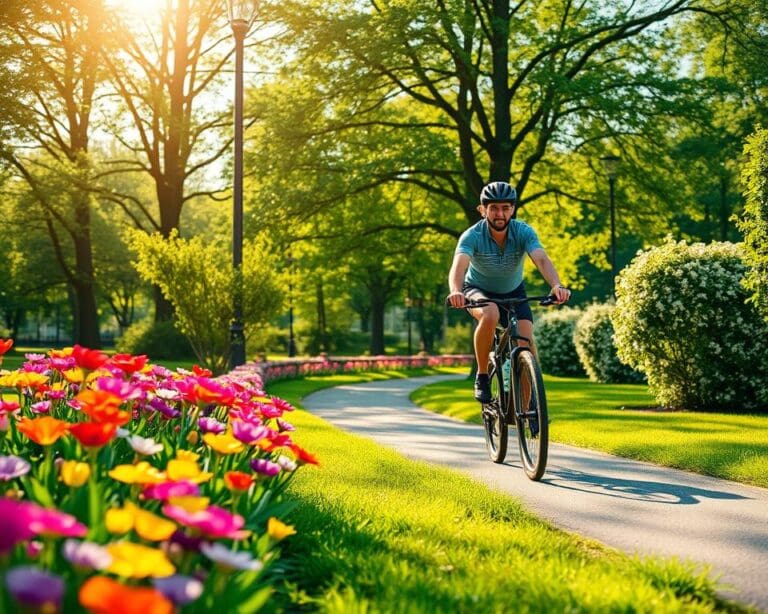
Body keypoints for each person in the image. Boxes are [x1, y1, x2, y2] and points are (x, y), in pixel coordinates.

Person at [446, 181, 571, 403]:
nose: (500, 214)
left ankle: (528, 407)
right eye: (493, 208)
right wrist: (456, 291)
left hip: (513, 291)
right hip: (477, 291)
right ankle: (482, 375)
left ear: (512, 209)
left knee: (526, 343)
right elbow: (459, 266)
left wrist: (556, 285)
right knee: (490, 314)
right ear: (482, 210)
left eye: (505, 208)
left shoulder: (523, 231)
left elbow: (541, 259)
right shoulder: (472, 236)